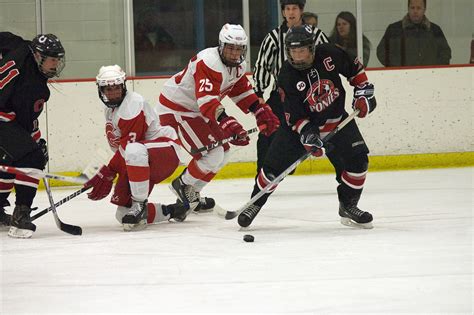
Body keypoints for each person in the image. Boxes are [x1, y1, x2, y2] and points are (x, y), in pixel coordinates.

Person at [238, 25, 377, 230]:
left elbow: (355, 69)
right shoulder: (286, 75)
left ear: (312, 48)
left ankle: (348, 205)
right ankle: (254, 204)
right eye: (293, 51)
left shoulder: (329, 53)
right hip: (297, 130)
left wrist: (363, 92)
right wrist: (309, 136)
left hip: (336, 120)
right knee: (272, 170)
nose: (298, 56)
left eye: (302, 50)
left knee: (358, 161)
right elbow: (295, 118)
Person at [156, 23, 280, 213]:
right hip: (177, 109)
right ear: (221, 46)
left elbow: (241, 91)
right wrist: (228, 121)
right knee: (213, 154)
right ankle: (182, 184)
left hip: (196, 110)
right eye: (230, 48)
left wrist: (259, 110)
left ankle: (193, 194)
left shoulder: (238, 65)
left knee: (223, 153)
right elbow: (206, 102)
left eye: (239, 49)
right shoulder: (209, 62)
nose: (234, 53)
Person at [83, 65, 189, 231]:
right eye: (107, 89)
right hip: (140, 160)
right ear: (100, 90)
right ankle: (174, 211)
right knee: (123, 214)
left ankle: (139, 204)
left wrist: (108, 171)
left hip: (165, 151)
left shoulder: (132, 104)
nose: (112, 92)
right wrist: (93, 171)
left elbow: (129, 146)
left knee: (133, 150)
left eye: (116, 87)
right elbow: (118, 148)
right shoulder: (109, 110)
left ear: (123, 86)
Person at [0, 32, 65, 238]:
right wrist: (35, 146)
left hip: (6, 120)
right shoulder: (32, 85)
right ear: (38, 56)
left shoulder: (20, 46)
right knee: (32, 157)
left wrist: (34, 140)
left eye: (57, 59)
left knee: (15, 156)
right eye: (52, 60)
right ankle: (22, 215)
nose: (55, 64)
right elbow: (23, 123)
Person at [253, 0, 329, 174]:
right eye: (287, 9)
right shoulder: (273, 38)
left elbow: (328, 58)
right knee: (267, 133)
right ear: (283, 12)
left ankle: (346, 169)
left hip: (310, 95)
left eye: (294, 8)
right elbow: (263, 65)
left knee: (328, 130)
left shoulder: (316, 36)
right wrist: (258, 92)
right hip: (281, 95)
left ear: (301, 10)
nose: (291, 12)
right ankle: (263, 174)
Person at [376, 0, 451, 66]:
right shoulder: (394, 29)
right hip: (401, 78)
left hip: (430, 77)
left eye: (418, 8)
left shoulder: (435, 30)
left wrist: (433, 68)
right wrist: (398, 67)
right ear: (408, 8)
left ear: (424, 9)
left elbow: (446, 53)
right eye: (412, 7)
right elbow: (381, 52)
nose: (415, 11)